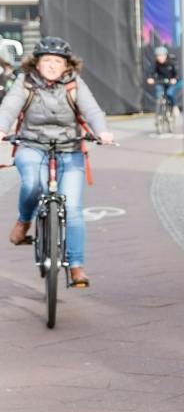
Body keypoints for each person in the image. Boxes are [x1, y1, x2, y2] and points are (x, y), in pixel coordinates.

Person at [2, 37, 114, 288]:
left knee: (73, 208)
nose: (52, 65)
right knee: (33, 184)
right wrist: (1, 127)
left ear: (66, 65)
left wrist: (102, 131)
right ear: (37, 63)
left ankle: (76, 266)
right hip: (32, 146)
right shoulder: (26, 82)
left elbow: (92, 110)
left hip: (69, 148)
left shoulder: (74, 84)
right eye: (47, 60)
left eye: (58, 61)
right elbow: (8, 108)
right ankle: (24, 222)